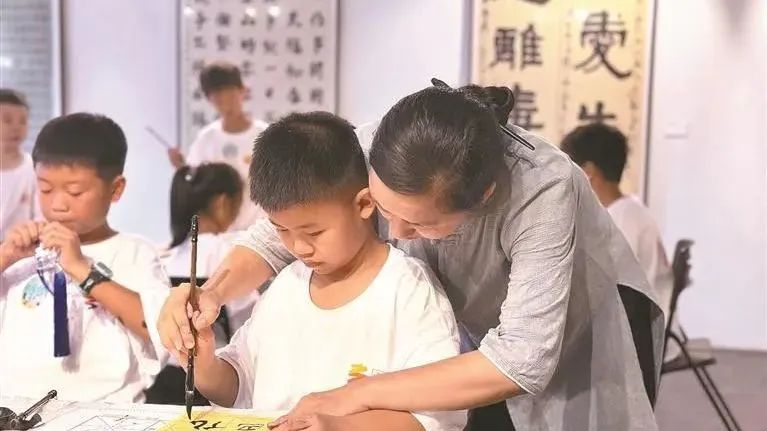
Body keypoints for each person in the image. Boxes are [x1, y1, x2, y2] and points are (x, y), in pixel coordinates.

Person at [158, 84, 664, 431]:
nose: (396, 234)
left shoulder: (543, 188)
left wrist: (354, 395)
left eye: (420, 225)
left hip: (579, 326)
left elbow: (522, 360)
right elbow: (279, 230)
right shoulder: (377, 143)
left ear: (483, 197)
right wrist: (210, 293)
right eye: (384, 209)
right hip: (472, 346)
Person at [177, 112, 465, 431]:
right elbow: (238, 388)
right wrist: (203, 362)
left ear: (364, 203)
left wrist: (340, 427)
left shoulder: (408, 289)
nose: (299, 248)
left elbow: (437, 417)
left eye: (314, 232)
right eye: (281, 230)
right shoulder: (287, 286)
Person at [0, 113, 169, 402]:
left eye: (75, 192)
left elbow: (158, 327)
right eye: (45, 188)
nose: (58, 204)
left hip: (108, 410)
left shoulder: (134, 253)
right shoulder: (21, 255)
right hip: (15, 409)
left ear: (115, 189)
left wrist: (83, 270)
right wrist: (5, 256)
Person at [561, 123, 678, 359]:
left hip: (638, 338)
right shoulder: (626, 212)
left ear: (587, 172)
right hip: (639, 326)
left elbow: (597, 294)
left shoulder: (619, 223)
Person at [166, 61, 268, 231]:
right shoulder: (206, 139)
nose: (225, 101)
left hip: (259, 232)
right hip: (219, 233)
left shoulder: (265, 135)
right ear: (209, 99)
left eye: (230, 93)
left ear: (243, 90)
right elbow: (195, 185)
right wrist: (180, 166)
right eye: (217, 96)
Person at [163, 162, 257, 332]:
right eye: (238, 204)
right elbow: (250, 314)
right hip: (226, 344)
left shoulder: (166, 256)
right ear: (222, 203)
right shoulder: (235, 249)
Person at [0, 89, 41, 241]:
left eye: (23, 121)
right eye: (7, 120)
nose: (16, 127)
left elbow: (40, 218)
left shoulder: (34, 169)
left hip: (20, 249)